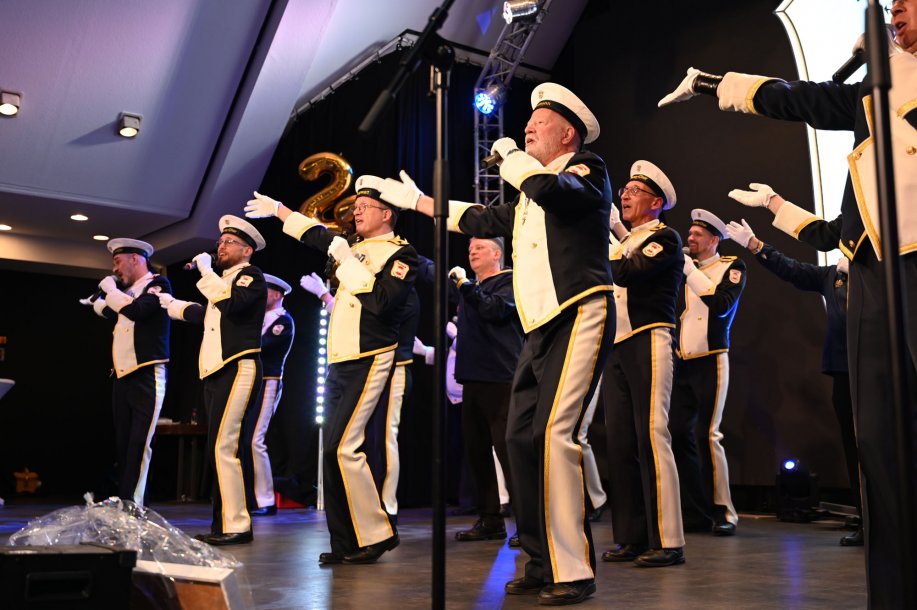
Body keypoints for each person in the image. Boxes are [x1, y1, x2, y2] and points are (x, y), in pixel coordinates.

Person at [657, 9, 917, 602]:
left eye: (907, 2)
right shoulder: (874, 92)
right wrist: (712, 85)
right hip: (874, 271)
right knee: (878, 445)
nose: (895, 12)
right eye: (890, 5)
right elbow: (800, 102)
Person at [376, 82, 614, 606]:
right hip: (539, 327)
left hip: (579, 312)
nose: (527, 128)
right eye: (526, 124)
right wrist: (418, 202)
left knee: (555, 436)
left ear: (567, 134)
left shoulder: (586, 169)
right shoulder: (529, 193)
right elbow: (480, 218)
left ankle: (573, 569)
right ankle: (540, 559)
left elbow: (556, 192)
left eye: (539, 123)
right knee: (519, 439)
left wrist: (510, 156)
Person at [244, 176, 417, 565]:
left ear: (387, 214)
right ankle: (346, 542)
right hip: (340, 357)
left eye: (365, 207)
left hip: (370, 354)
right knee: (331, 451)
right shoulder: (351, 247)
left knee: (344, 447)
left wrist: (347, 260)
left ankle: (377, 533)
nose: (356, 211)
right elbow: (316, 235)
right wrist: (279, 210)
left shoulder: (403, 255)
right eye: (355, 206)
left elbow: (383, 302)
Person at [726, 218, 862, 546]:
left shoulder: (880, 276)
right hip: (844, 370)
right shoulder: (832, 275)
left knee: (881, 444)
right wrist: (755, 246)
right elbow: (793, 270)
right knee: (853, 446)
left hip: (876, 368)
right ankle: (867, 517)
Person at [158, 215, 267, 545]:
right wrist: (174, 306)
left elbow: (231, 306)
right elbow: (211, 316)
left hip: (238, 366)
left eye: (230, 243)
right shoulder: (223, 283)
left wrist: (206, 272)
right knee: (217, 449)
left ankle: (237, 525)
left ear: (247, 251)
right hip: (216, 370)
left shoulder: (250, 276)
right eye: (220, 242)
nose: (221, 247)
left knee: (225, 447)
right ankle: (223, 523)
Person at [601, 161, 686, 568]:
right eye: (624, 190)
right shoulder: (626, 240)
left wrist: (604, 239)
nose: (625, 195)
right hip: (617, 345)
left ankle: (668, 539)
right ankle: (631, 536)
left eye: (636, 191)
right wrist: (615, 235)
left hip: (649, 337)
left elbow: (628, 271)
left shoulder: (665, 238)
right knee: (619, 443)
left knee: (652, 435)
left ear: (656, 203)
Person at [301, 269, 420, 523]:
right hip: (364, 370)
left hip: (393, 368)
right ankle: (364, 504)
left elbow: (372, 319)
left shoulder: (398, 289)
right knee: (357, 440)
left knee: (384, 439)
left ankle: (387, 507)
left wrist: (324, 295)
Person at [668, 209, 746, 536]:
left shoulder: (732, 266)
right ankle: (694, 511)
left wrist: (689, 270)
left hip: (711, 358)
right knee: (677, 433)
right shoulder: (684, 267)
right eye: (690, 233)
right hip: (682, 360)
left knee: (708, 435)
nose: (691, 238)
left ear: (714, 240)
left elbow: (722, 305)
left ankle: (723, 511)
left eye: (698, 234)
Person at [82, 238, 170, 506]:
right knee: (123, 443)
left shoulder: (158, 284)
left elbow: (137, 311)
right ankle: (126, 500)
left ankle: (134, 505)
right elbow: (115, 312)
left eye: (118, 262)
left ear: (135, 259)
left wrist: (110, 291)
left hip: (146, 373)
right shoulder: (128, 291)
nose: (115, 269)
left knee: (139, 444)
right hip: (122, 375)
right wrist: (98, 303)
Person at [448, 237, 524, 543]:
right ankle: (490, 519)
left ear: (497, 254)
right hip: (473, 379)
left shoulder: (510, 281)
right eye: (470, 249)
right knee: (477, 452)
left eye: (479, 248)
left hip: (500, 378)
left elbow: (496, 310)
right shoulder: (472, 288)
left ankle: (527, 524)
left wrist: (466, 286)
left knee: (508, 451)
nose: (472, 252)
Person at [241, 273, 295, 517]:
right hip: (251, 381)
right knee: (245, 439)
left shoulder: (283, 321)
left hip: (268, 382)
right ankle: (249, 497)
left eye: (265, 292)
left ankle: (265, 500)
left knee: (255, 440)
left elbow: (263, 347)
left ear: (277, 294)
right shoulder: (256, 319)